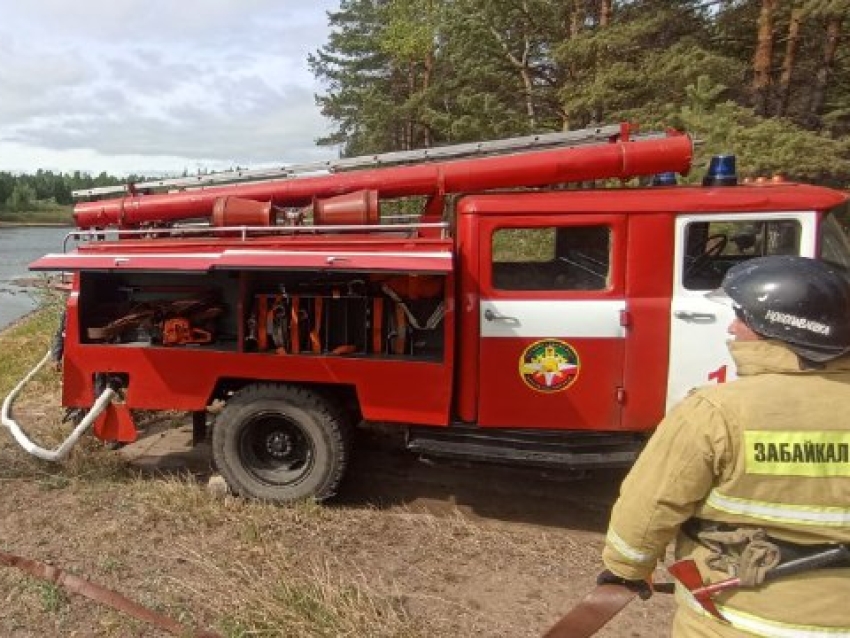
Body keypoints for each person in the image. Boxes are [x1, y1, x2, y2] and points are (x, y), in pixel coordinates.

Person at [599, 255, 850, 637]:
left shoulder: (715, 412)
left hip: (734, 621)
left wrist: (626, 570)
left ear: (777, 328)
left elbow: (649, 508)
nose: (732, 326)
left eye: (742, 317)